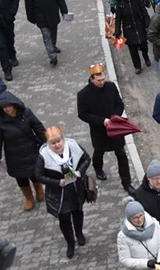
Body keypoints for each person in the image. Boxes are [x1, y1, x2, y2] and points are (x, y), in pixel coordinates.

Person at [76, 63, 135, 194]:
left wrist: (114, 117)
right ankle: (98, 167)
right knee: (99, 151)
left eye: (103, 79)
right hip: (99, 131)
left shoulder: (111, 86)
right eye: (99, 80)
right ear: (92, 79)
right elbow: (83, 114)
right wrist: (102, 121)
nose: (102, 82)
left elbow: (119, 104)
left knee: (121, 153)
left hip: (115, 128)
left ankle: (127, 182)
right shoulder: (83, 94)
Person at [35, 126, 91, 258]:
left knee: (78, 212)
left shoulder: (72, 146)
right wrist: (56, 182)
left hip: (76, 189)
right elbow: (38, 175)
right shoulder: (44, 155)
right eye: (53, 143)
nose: (57, 145)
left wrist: (79, 172)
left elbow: (86, 159)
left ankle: (79, 233)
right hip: (58, 193)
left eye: (58, 141)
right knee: (64, 218)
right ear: (49, 144)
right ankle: (70, 243)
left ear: (63, 140)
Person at [0, 91, 46, 211]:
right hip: (13, 155)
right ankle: (29, 198)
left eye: (9, 106)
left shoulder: (26, 113)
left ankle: (39, 190)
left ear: (14, 105)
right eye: (4, 107)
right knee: (20, 178)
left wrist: (47, 143)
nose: (7, 109)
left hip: (31, 150)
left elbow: (39, 128)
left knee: (35, 173)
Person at [24, 0, 69, 66]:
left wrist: (64, 11)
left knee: (53, 32)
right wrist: (31, 18)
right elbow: (28, 3)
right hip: (40, 17)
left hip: (53, 13)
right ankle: (52, 56)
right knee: (46, 36)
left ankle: (53, 45)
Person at [116, 198, 160, 270]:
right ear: (129, 219)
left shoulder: (154, 224)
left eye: (141, 215)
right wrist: (146, 263)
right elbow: (124, 259)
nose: (140, 219)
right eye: (135, 218)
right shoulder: (123, 236)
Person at [114, 0, 151, 73]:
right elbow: (118, 18)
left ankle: (146, 57)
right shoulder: (119, 4)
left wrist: (147, 23)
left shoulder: (137, 0)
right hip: (128, 29)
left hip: (140, 27)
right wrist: (117, 31)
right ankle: (137, 66)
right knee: (133, 50)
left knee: (144, 46)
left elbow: (144, 11)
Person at [0, 0, 19, 81]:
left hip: (7, 20)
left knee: (10, 39)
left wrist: (11, 12)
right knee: (1, 46)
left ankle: (12, 54)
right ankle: (7, 69)